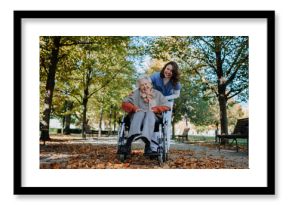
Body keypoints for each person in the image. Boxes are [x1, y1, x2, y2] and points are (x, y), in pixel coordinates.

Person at [121, 76, 171, 155]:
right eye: (142, 85)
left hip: (153, 118)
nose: (145, 86)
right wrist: (134, 108)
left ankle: (147, 144)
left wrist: (156, 109)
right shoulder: (135, 93)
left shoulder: (157, 94)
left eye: (146, 84)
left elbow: (167, 106)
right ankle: (129, 142)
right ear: (139, 86)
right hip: (136, 117)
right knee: (139, 113)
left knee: (149, 113)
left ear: (150, 84)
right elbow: (124, 103)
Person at [150, 61, 181, 151]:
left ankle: (166, 147)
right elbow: (146, 84)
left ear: (174, 73)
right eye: (167, 69)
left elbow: (176, 95)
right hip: (155, 101)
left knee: (166, 124)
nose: (168, 71)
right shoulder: (156, 76)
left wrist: (164, 98)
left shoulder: (176, 82)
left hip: (167, 102)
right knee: (153, 121)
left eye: (171, 71)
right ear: (164, 68)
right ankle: (153, 147)